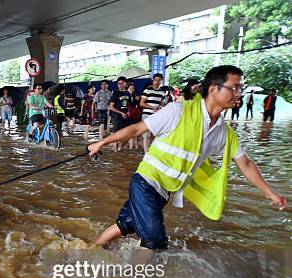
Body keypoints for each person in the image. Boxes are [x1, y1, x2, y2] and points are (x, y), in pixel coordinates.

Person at [87, 65, 286, 252]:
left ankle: (91, 250)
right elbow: (139, 128)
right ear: (214, 89)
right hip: (146, 182)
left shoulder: (225, 134)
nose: (238, 93)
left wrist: (269, 192)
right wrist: (101, 143)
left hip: (164, 191)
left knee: (125, 224)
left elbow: (246, 163)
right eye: (234, 88)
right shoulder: (178, 110)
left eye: (240, 88)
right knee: (155, 242)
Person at [140, 73, 166, 153]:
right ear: (153, 81)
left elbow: (162, 103)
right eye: (155, 80)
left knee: (153, 134)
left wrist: (160, 107)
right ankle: (145, 153)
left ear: (161, 81)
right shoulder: (147, 90)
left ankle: (149, 150)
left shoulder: (162, 92)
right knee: (146, 134)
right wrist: (152, 107)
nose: (157, 82)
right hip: (146, 114)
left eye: (159, 80)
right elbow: (141, 103)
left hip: (156, 115)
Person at [108, 76, 131, 150]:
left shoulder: (128, 93)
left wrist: (129, 111)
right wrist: (121, 113)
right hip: (117, 116)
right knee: (117, 132)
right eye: (119, 84)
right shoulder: (115, 93)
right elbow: (111, 107)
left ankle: (120, 146)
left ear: (125, 84)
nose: (120, 85)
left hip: (125, 116)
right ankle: (115, 149)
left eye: (122, 83)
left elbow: (129, 104)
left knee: (126, 133)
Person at [126, 83, 141, 149]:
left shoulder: (136, 97)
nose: (132, 90)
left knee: (136, 129)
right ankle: (131, 145)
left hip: (135, 114)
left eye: (133, 88)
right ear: (127, 89)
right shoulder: (125, 97)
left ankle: (136, 144)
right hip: (129, 114)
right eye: (130, 88)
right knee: (131, 130)